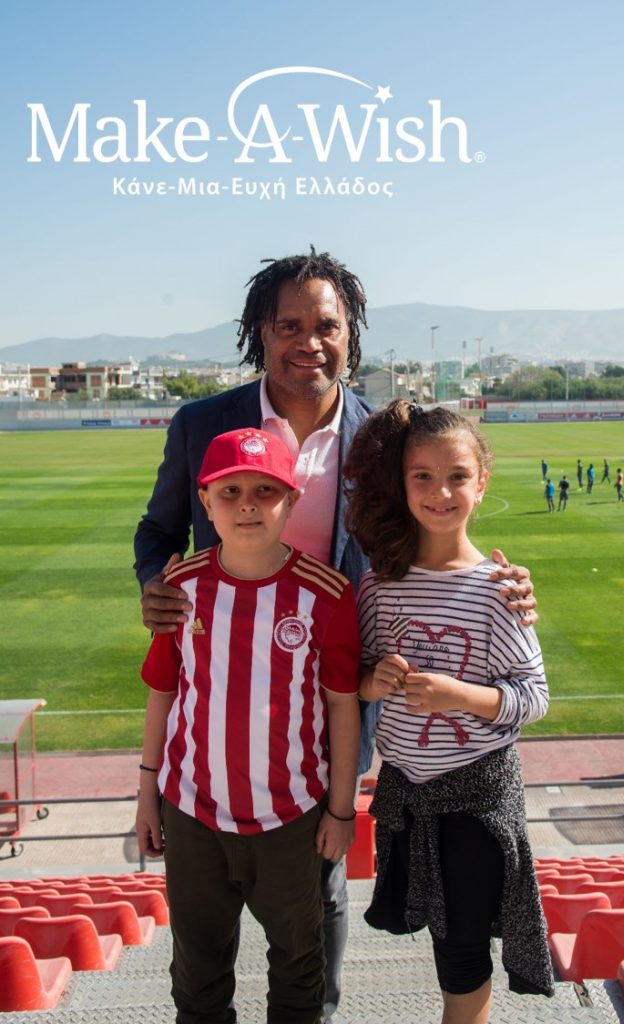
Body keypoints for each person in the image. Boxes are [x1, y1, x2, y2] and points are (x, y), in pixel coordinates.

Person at [133, 247, 539, 1020]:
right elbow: (158, 532)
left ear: (351, 333)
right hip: (226, 704)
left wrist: (502, 580)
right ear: (260, 331)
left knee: (317, 904)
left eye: (327, 325)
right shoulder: (201, 424)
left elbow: (434, 514)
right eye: (289, 325)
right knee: (206, 945)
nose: (309, 342)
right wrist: (157, 585)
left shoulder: (383, 437)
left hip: (342, 692)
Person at [136, 428, 361, 1024]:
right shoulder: (179, 588)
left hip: (291, 819)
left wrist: (342, 810)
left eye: (266, 491)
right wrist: (147, 794)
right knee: (197, 974)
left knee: (299, 967)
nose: (247, 505)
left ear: (292, 500)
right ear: (205, 502)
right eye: (230, 491)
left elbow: (343, 706)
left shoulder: (326, 594)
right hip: (193, 813)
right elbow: (163, 692)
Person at [343, 401, 553, 1024]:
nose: (440, 492)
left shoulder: (497, 589)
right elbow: (356, 682)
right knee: (443, 943)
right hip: (408, 793)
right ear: (402, 483)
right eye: (423, 477)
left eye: (457, 476)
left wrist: (457, 695)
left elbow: (533, 697)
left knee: (463, 954)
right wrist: (372, 681)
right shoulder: (377, 586)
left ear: (481, 483)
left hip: (476, 799)